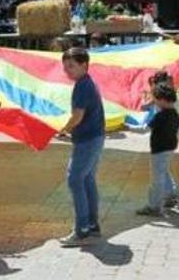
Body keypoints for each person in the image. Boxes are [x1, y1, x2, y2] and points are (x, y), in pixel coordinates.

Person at [59, 47, 105, 247]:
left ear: (84, 65)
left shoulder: (82, 86)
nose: (67, 71)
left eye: (71, 66)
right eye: (65, 67)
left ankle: (81, 230)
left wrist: (64, 129)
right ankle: (92, 225)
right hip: (94, 137)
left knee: (74, 179)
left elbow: (78, 115)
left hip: (87, 139)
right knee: (87, 180)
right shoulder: (86, 82)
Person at [135, 83, 179, 217]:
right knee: (164, 172)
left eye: (155, 99)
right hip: (170, 148)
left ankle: (154, 206)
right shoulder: (175, 114)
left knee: (156, 179)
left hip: (159, 150)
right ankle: (170, 194)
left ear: (161, 100)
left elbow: (145, 130)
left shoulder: (160, 116)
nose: (154, 102)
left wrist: (128, 125)